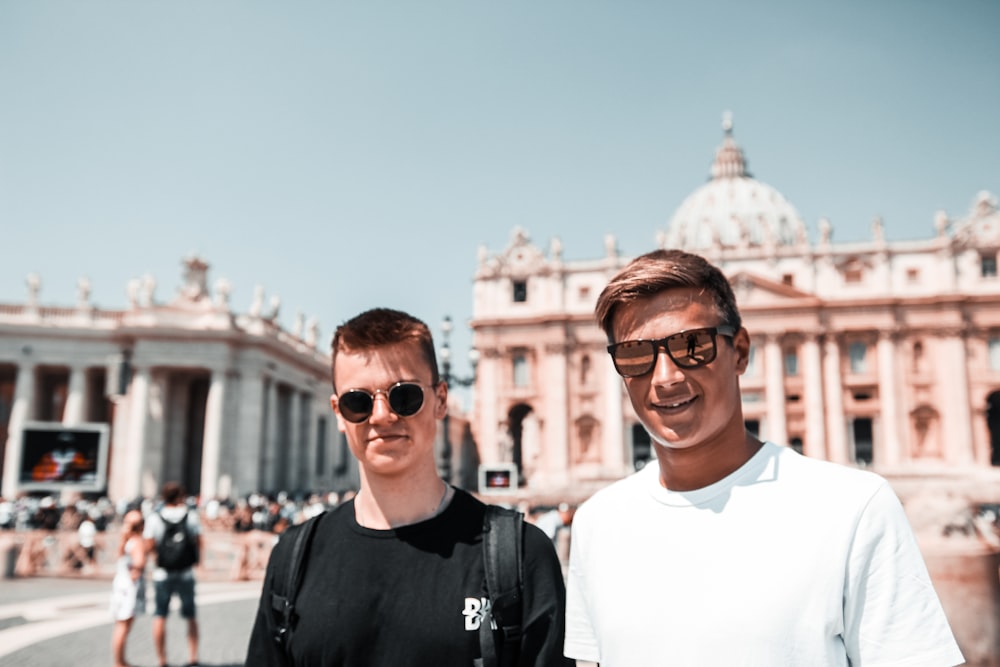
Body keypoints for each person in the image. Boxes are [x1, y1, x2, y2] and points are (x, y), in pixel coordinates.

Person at [564, 248, 964, 666]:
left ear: (739, 351)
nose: (665, 378)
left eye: (692, 346)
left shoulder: (855, 507)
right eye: (635, 355)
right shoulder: (596, 522)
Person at [245, 307, 572, 666]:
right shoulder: (293, 557)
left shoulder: (522, 556)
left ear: (441, 400)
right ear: (339, 413)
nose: (382, 415)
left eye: (404, 396)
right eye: (359, 401)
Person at [144, 481, 201, 667]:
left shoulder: (154, 517)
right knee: (190, 616)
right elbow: (198, 540)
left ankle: (162, 659)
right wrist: (198, 561)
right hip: (186, 572)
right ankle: (192, 657)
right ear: (181, 496)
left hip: (162, 572)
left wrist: (158, 557)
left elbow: (149, 544)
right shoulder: (190, 515)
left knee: (160, 615)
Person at [110, 509, 147, 667]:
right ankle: (120, 662)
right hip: (129, 588)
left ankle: (120, 660)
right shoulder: (137, 541)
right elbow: (139, 562)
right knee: (124, 626)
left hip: (120, 585)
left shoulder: (125, 539)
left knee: (120, 624)